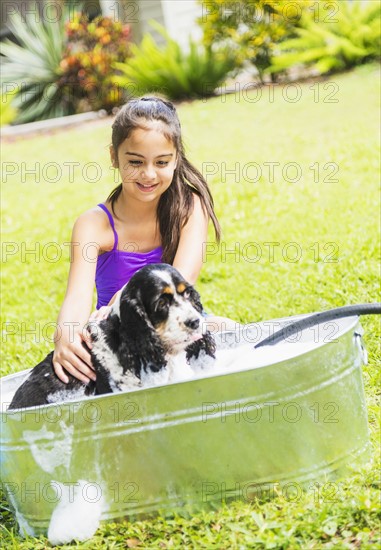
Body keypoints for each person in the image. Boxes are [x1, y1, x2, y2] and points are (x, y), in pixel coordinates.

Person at [53, 96, 234, 385]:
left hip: (176, 324)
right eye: (135, 162)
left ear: (176, 158)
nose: (149, 174)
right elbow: (76, 298)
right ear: (114, 156)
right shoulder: (92, 225)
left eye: (162, 162)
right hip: (124, 331)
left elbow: (182, 277)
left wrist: (119, 298)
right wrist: (66, 334)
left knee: (232, 334)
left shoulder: (189, 207)